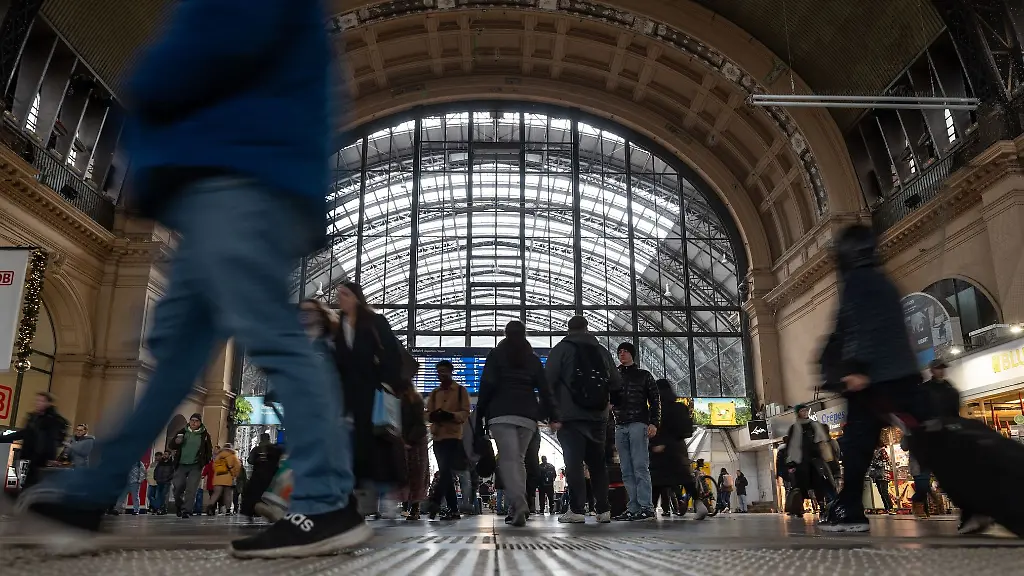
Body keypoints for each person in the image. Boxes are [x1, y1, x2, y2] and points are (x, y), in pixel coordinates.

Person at [10, 0, 371, 559]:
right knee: (174, 357)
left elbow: (206, 49)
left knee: (272, 337)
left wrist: (148, 92)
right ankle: (89, 493)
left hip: (240, 178)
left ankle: (325, 502)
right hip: (232, 180)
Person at [818, 224, 926, 533]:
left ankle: (850, 511)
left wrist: (855, 369)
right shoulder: (884, 282)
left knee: (856, 448)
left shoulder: (856, 283)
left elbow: (857, 328)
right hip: (904, 375)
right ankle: (977, 501)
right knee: (931, 439)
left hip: (873, 381)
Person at [478, 320, 560, 527]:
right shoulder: (531, 358)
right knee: (519, 460)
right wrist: (552, 415)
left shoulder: (495, 355)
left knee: (507, 460)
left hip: (500, 413)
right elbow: (545, 388)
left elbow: (486, 385)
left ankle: (519, 503)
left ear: (505, 334)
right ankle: (517, 507)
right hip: (526, 416)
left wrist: (480, 413)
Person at [333, 281, 404, 507]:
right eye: (338, 295)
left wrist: (388, 383)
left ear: (355, 297)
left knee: (376, 440)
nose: (339, 298)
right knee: (355, 443)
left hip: (373, 391)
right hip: (349, 395)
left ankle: (385, 492)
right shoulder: (339, 326)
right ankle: (360, 494)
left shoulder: (375, 322)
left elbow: (392, 354)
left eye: (344, 294)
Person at [544, 315, 622, 524]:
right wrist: (609, 404)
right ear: (587, 329)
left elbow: (548, 382)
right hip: (598, 417)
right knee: (597, 464)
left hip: (570, 417)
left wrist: (551, 414)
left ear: (568, 329)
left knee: (574, 463)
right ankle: (604, 509)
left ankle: (577, 510)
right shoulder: (601, 351)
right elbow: (616, 382)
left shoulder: (561, 349)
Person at [612, 342, 661, 521]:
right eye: (619, 352)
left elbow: (655, 401)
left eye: (625, 351)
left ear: (632, 354)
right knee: (626, 469)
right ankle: (633, 507)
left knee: (640, 466)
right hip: (620, 425)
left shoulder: (644, 376)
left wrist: (654, 423)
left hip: (638, 424)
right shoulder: (614, 376)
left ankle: (646, 506)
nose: (622, 354)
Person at [649, 379, 707, 520]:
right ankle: (699, 505)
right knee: (685, 479)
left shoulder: (656, 410)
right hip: (678, 449)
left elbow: (651, 430)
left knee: (656, 483)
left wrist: (656, 444)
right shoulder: (680, 407)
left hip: (660, 451)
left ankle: (650, 511)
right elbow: (687, 430)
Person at [425, 360, 471, 520]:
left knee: (445, 471)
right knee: (445, 473)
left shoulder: (460, 391)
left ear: (451, 371)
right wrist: (433, 415)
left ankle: (435, 501)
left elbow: (466, 412)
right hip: (438, 437)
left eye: (444, 371)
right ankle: (454, 509)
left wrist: (451, 415)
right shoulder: (435, 393)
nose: (441, 374)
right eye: (439, 371)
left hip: (453, 437)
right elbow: (427, 413)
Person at [1, 392, 68, 492]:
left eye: (41, 401)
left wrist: (51, 458)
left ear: (48, 403)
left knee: (35, 489)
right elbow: (23, 433)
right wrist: (2, 438)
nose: (38, 403)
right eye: (37, 400)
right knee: (28, 487)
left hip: (43, 461)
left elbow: (53, 440)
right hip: (30, 458)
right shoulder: (33, 418)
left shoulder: (54, 420)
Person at [785, 404, 836, 514]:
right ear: (798, 413)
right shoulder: (795, 428)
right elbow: (791, 446)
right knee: (802, 484)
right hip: (801, 461)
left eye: (806, 410)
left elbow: (823, 442)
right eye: (802, 411)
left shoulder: (814, 425)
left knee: (819, 482)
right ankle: (799, 507)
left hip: (815, 459)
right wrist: (791, 463)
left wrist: (827, 457)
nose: (805, 413)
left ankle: (822, 506)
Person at [399, 382, 429, 521]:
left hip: (414, 442)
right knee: (410, 475)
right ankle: (409, 507)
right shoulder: (408, 400)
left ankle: (413, 508)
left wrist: (408, 441)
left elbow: (419, 424)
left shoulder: (413, 401)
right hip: (407, 441)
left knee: (416, 475)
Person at [242, 433, 284, 519]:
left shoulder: (256, 449)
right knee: (268, 497)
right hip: (271, 477)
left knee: (254, 496)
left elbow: (250, 460)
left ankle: (251, 512)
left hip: (257, 476)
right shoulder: (275, 449)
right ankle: (270, 514)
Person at [207, 444, 241, 515]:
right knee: (227, 494)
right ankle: (228, 511)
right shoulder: (233, 456)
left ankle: (209, 507)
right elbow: (237, 467)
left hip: (218, 477)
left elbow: (214, 466)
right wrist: (235, 475)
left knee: (216, 494)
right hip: (228, 477)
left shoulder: (218, 456)